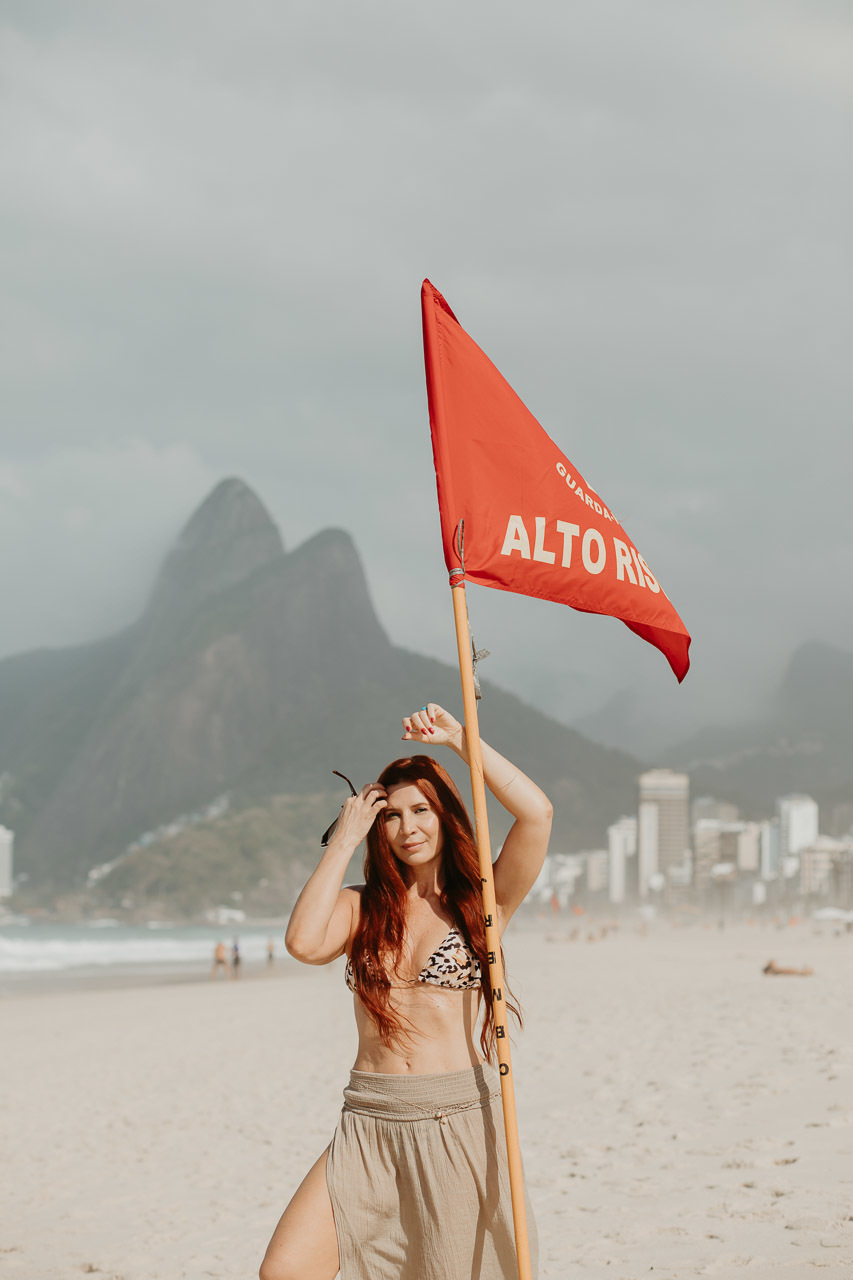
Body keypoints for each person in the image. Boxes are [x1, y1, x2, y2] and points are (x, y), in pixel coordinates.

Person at [259, 701, 552, 1280]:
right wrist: (343, 840)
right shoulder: (363, 907)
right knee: (285, 1270)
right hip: (368, 1119)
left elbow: (537, 814)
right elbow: (302, 942)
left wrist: (463, 741)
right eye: (391, 816)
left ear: (447, 816)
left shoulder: (483, 904)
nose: (407, 827)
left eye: (421, 810)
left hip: (457, 1115)